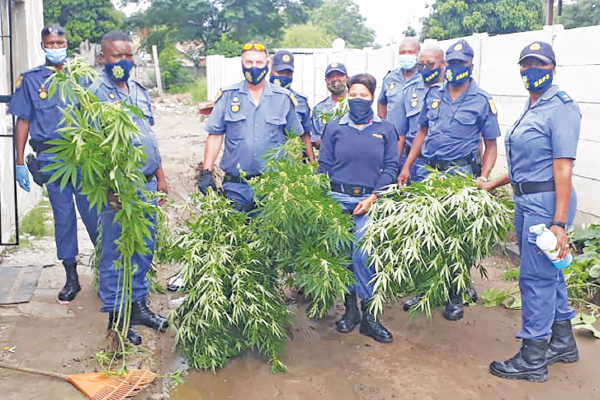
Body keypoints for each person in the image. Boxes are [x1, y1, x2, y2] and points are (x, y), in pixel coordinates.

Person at [481, 42, 580, 383]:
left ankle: (533, 357)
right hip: (527, 200)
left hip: (547, 203)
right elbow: (526, 164)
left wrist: (559, 223)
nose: (531, 70)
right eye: (525, 64)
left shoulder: (561, 108)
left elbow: (562, 168)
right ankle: (563, 342)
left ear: (553, 68)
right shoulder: (532, 105)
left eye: (539, 64)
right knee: (550, 273)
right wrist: (492, 184)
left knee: (535, 279)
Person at [399, 39, 501, 320]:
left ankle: (455, 295)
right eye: (452, 63)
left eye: (461, 63)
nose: (456, 68)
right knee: (426, 233)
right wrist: (407, 166)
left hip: (460, 175)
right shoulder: (434, 94)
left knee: (456, 237)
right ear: (445, 65)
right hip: (428, 173)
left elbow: (491, 145)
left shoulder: (482, 101)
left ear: (471, 65)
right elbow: (421, 132)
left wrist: (484, 177)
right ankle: (426, 290)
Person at [9, 26, 98, 305]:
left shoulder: (81, 77)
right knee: (63, 218)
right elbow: (22, 121)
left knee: (95, 215)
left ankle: (108, 271)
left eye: (60, 42)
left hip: (84, 158)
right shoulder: (31, 80)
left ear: (66, 44)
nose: (56, 47)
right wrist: (19, 161)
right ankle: (71, 278)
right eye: (51, 43)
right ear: (42, 45)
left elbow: (98, 116)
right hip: (52, 160)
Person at [90, 31, 168, 345]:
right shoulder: (95, 94)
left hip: (146, 184)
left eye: (128, 55)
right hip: (119, 189)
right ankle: (117, 320)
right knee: (116, 254)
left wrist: (160, 176)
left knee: (143, 248)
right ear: (102, 58)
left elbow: (149, 136)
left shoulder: (137, 90)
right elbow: (92, 150)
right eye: (116, 56)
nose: (123, 61)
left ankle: (138, 307)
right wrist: (109, 190)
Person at [318, 73, 398, 343]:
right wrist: (321, 199)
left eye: (363, 95)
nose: (357, 99)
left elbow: (391, 167)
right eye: (353, 95)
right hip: (337, 198)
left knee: (364, 254)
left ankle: (370, 317)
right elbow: (324, 166)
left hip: (369, 200)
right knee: (343, 257)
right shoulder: (334, 128)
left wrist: (374, 196)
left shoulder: (385, 129)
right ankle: (350, 310)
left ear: (372, 97)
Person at [197, 41, 303, 212]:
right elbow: (215, 135)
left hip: (271, 187)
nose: (254, 67)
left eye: (259, 62)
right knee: (233, 228)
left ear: (267, 64)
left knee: (269, 229)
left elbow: (294, 141)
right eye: (249, 62)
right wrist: (206, 171)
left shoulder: (283, 98)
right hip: (235, 187)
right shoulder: (228, 96)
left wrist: (297, 178)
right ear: (242, 64)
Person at [388, 44, 444, 184]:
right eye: (420, 65)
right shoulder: (408, 91)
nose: (425, 68)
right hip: (416, 162)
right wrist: (393, 169)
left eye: (430, 64)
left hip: (448, 163)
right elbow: (399, 135)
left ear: (443, 64)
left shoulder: (453, 91)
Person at [269, 50, 315, 161]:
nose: (284, 77)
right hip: (267, 159)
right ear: (271, 71)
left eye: (288, 73)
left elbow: (305, 135)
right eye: (280, 73)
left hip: (292, 161)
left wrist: (312, 162)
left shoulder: (301, 101)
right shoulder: (260, 97)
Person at [377, 37, 421, 118]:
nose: (406, 55)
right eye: (402, 52)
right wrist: (383, 123)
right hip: (394, 126)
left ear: (419, 54)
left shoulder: (425, 78)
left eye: (411, 52)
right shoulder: (390, 78)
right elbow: (382, 103)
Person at [311, 62, 348, 148]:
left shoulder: (356, 104)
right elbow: (315, 139)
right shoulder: (319, 109)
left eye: (339, 75)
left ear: (347, 78)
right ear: (326, 81)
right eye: (331, 76)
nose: (335, 79)